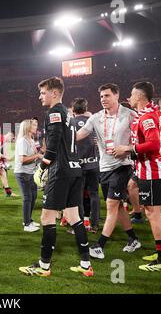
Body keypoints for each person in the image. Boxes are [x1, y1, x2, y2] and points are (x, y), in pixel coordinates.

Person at [19, 77, 93, 277]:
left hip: (60, 171)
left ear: (54, 93)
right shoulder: (68, 114)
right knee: (73, 216)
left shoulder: (53, 112)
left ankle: (43, 266)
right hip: (75, 168)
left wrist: (42, 167)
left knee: (46, 217)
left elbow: (52, 145)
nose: (40, 96)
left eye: (43, 92)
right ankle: (86, 264)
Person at [114, 81, 161, 272]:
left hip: (151, 170)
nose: (129, 98)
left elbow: (154, 144)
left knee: (153, 213)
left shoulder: (147, 116)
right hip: (146, 168)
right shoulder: (148, 113)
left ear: (139, 97)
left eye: (131, 95)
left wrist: (128, 149)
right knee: (152, 211)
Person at [77, 84, 140, 260]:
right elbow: (80, 134)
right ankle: (133, 239)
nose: (103, 99)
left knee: (111, 205)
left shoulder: (130, 115)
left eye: (107, 95)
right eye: (101, 96)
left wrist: (127, 149)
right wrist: (62, 139)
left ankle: (99, 245)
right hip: (103, 167)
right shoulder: (96, 118)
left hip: (122, 166)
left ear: (117, 95)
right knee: (118, 206)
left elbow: (141, 138)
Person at [72, 98, 100, 233]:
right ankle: (94, 225)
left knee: (78, 196)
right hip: (94, 164)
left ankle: (81, 225)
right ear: (85, 108)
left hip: (79, 166)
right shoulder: (93, 122)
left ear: (73, 110)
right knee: (94, 195)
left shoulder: (71, 123)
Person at [14, 119, 42, 232]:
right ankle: (26, 224)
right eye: (34, 125)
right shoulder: (22, 141)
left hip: (31, 173)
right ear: (27, 127)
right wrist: (37, 156)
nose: (36, 127)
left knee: (33, 197)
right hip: (22, 173)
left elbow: (34, 155)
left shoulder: (31, 139)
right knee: (27, 198)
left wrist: (39, 153)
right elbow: (22, 160)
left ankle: (29, 220)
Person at [0, 123, 14, 197]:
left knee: (3, 173)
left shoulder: (1, 138)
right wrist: (7, 158)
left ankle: (8, 192)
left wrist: (6, 160)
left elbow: (2, 151)